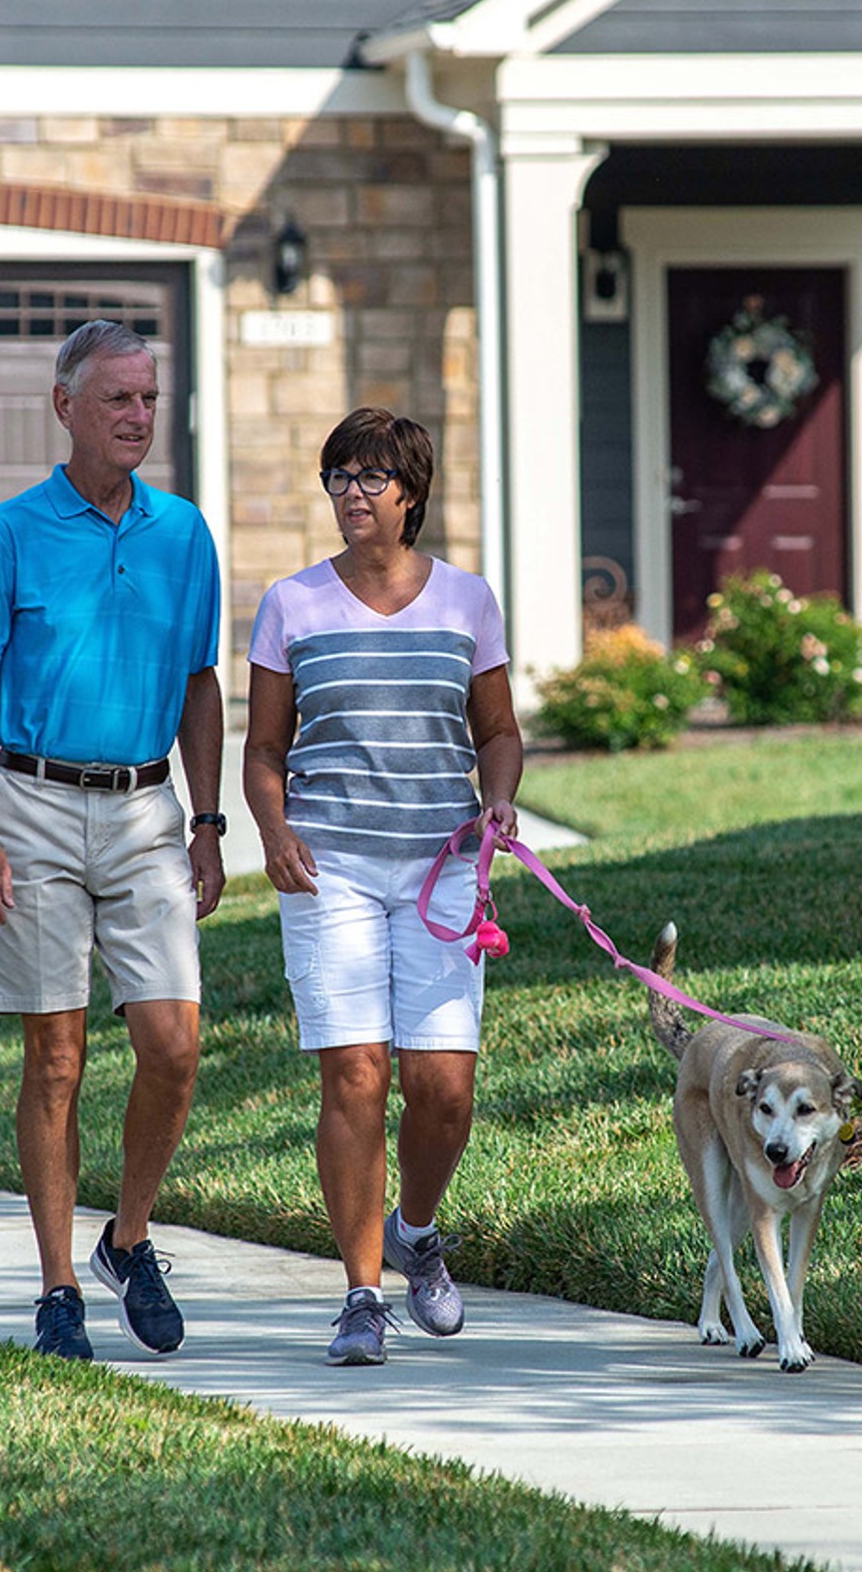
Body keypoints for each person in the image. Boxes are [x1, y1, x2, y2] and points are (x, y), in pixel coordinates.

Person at [0, 319, 226, 1363]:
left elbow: (200, 683)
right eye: (119, 400)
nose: (140, 417)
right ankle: (59, 1287)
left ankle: (128, 1237)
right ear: (67, 407)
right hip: (37, 807)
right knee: (55, 1058)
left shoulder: (184, 534)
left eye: (150, 398)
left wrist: (207, 819)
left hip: (148, 806)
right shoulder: (7, 534)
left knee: (174, 1046)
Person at [241, 407, 522, 1367]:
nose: (351, 495)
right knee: (354, 1074)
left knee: (443, 1088)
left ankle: (414, 1229)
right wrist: (273, 832)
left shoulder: (468, 601)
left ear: (411, 495)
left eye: (370, 479)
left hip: (443, 866)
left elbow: (498, 732)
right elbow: (266, 748)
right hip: (334, 868)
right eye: (338, 479)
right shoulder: (290, 603)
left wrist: (500, 803)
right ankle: (363, 1294)